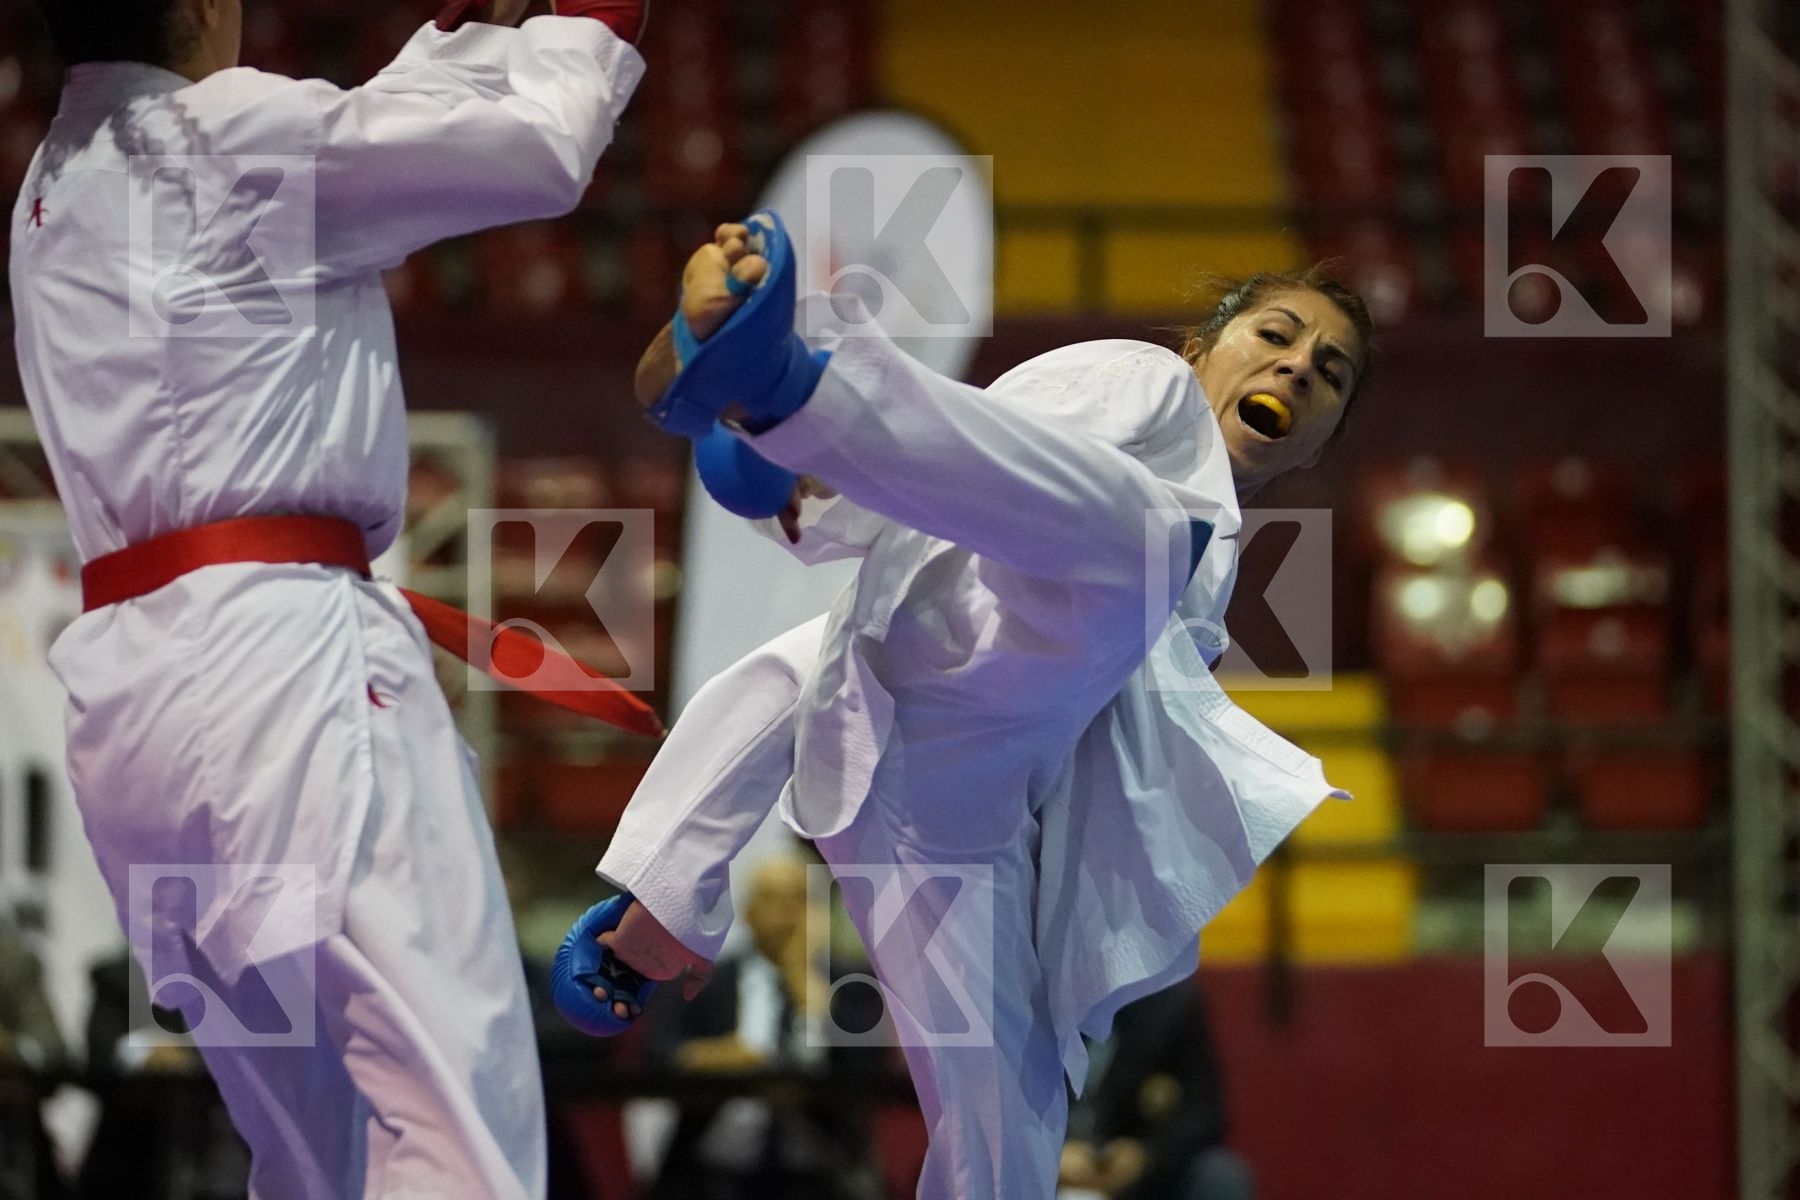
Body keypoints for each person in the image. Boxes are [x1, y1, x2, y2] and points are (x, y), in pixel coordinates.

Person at [559, 214, 1370, 1197]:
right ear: (1203, 347)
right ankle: (788, 390)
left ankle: (782, 431)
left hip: (941, 819)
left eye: (1327, 372)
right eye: (1275, 336)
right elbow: (996, 450)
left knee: (1013, 1122)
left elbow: (824, 644)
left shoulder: (1210, 571)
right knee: (1154, 541)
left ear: (1322, 444)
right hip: (943, 671)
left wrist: (804, 502)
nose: (1293, 369)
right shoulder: (1146, 385)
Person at [10, 1, 650, 1196]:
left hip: (137, 713)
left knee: (320, 1152)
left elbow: (349, 143)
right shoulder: (234, 135)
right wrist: (590, 26)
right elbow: (542, 154)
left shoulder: (48, 190)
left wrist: (458, 44)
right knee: (455, 1105)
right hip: (282, 678)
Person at [647, 854, 884, 1200]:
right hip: (711, 1177)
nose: (786, 911)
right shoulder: (702, 982)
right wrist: (725, 1059)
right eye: (772, 898)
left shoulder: (852, 984)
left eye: (798, 898)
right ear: (748, 912)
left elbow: (866, 1073)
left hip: (821, 1179)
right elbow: (657, 1055)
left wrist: (805, 984)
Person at [1059, 980, 1251, 1200]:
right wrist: (1052, 1155)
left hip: (1134, 1173)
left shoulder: (1170, 1004)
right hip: (1044, 1165)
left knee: (1220, 1175)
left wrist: (1146, 1155)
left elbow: (1204, 1111)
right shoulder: (1030, 992)